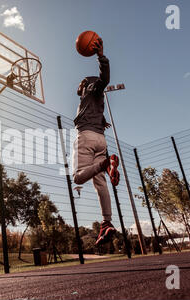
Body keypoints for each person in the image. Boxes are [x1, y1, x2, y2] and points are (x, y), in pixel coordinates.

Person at [72, 37, 120, 246]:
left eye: (81, 83)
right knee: (100, 183)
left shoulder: (90, 91)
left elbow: (104, 79)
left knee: (78, 178)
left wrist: (101, 57)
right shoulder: (93, 100)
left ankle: (104, 164)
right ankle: (106, 223)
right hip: (100, 139)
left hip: (87, 137)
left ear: (85, 85)